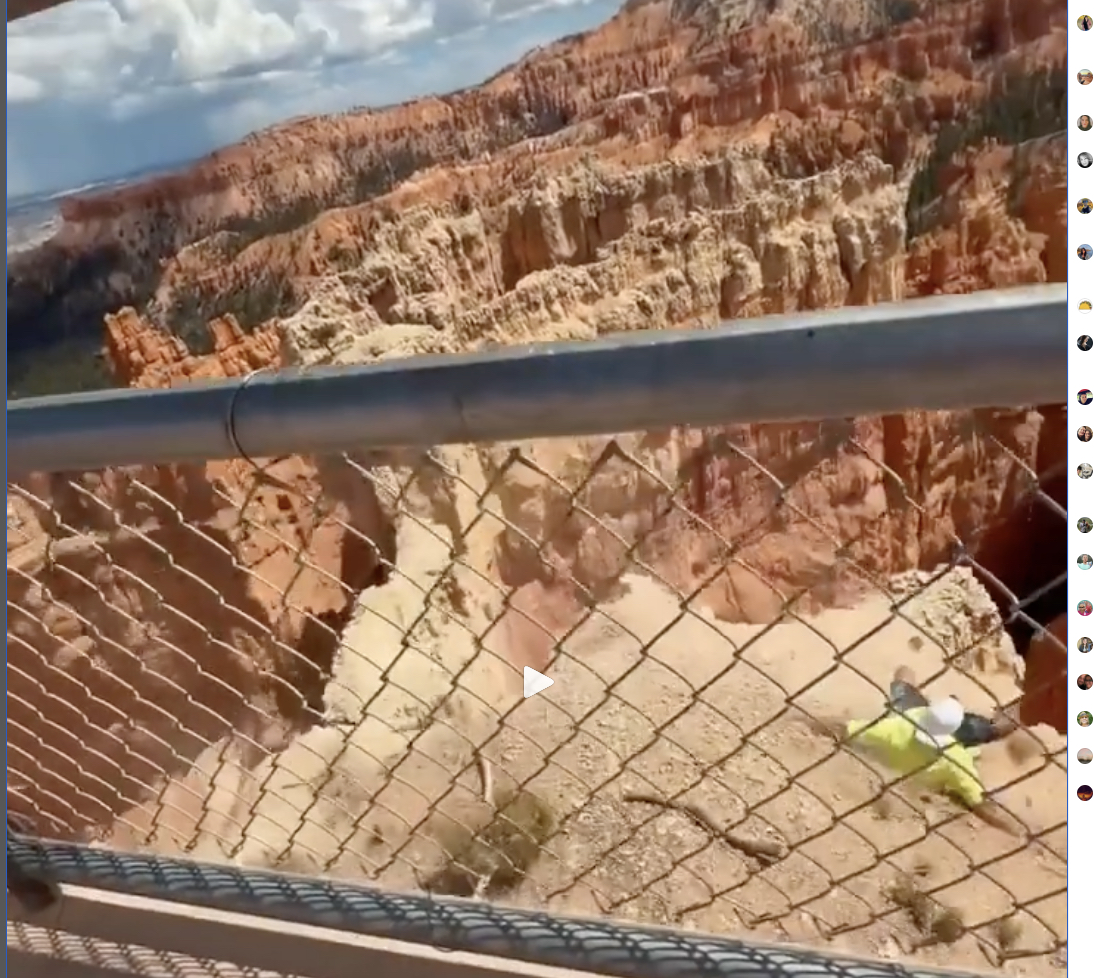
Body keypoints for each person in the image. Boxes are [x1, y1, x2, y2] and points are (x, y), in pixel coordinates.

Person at [811, 696, 1024, 836]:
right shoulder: (955, 760)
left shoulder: (899, 725)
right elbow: (981, 805)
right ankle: (1026, 708)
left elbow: (842, 728)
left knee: (906, 677)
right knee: (992, 729)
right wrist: (1015, 831)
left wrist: (803, 721)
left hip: (908, 726)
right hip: (955, 744)